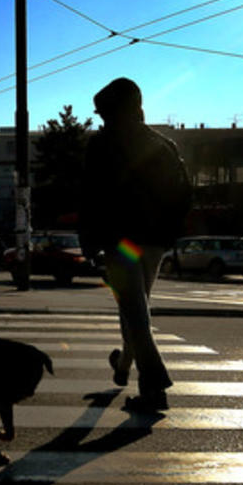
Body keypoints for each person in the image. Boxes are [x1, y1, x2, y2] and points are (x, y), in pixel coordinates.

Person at [78, 77, 191, 413]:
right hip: (154, 241)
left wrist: (89, 243)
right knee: (135, 309)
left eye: (102, 113)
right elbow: (183, 195)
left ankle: (154, 388)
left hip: (121, 241)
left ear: (112, 111)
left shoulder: (103, 144)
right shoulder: (164, 145)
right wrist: (168, 233)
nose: (100, 120)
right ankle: (123, 365)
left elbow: (90, 197)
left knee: (136, 315)